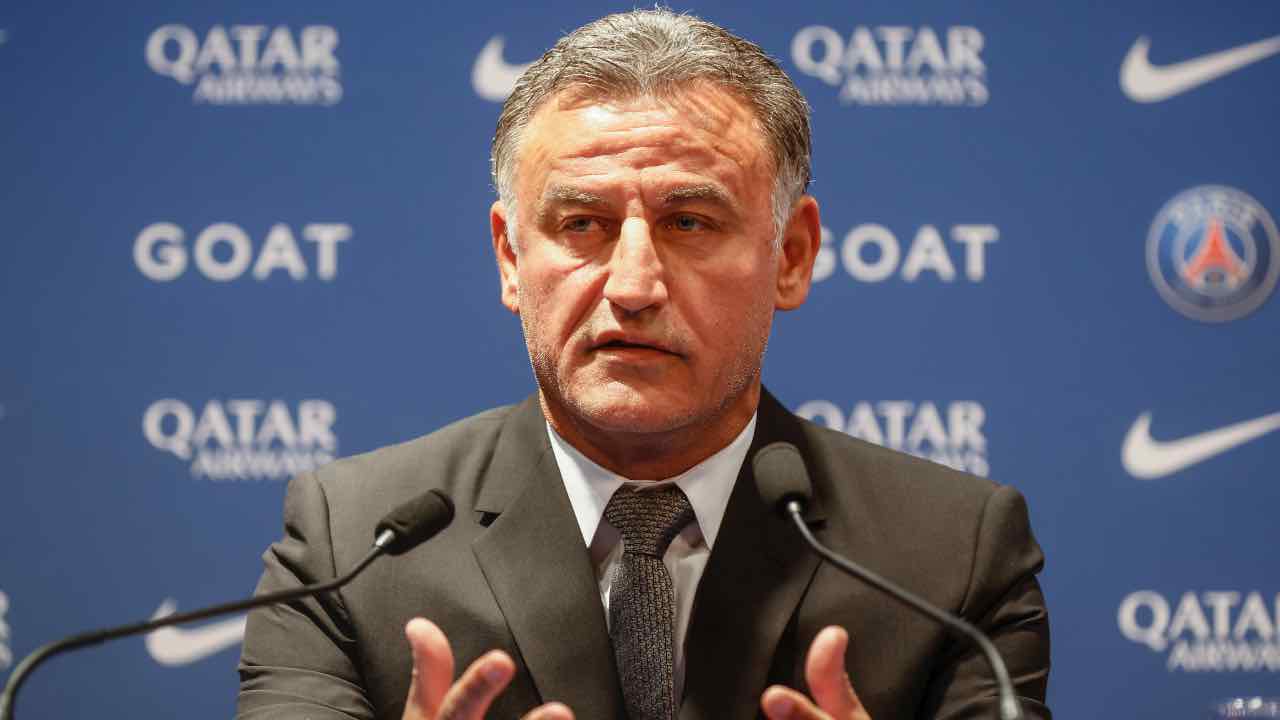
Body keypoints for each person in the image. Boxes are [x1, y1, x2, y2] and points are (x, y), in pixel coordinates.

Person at [236, 9, 1050, 720]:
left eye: (689, 222)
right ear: (511, 259)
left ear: (792, 255)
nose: (632, 286)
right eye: (581, 224)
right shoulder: (352, 547)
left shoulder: (953, 558)